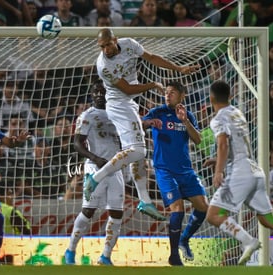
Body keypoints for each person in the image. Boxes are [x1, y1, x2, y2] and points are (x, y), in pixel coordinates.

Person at [84, 28, 199, 220]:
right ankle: (95, 178)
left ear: (116, 40)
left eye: (108, 44)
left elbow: (152, 57)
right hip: (119, 104)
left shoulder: (129, 44)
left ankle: (144, 200)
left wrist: (178, 69)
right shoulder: (103, 65)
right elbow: (128, 89)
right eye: (101, 47)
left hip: (129, 104)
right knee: (139, 151)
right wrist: (153, 85)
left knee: (136, 157)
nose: (105, 49)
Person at [206, 80, 273, 266]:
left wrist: (218, 171)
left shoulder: (217, 119)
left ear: (211, 98)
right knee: (268, 219)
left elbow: (223, 143)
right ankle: (249, 241)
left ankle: (248, 241)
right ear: (230, 96)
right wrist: (220, 160)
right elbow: (234, 144)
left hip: (239, 171)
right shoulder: (237, 113)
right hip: (255, 171)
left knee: (213, 215)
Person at [142, 81, 208, 266]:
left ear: (182, 95)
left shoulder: (187, 115)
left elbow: (198, 140)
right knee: (177, 209)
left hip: (186, 171)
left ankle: (184, 239)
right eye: (166, 92)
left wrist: (185, 121)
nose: (167, 95)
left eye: (171, 93)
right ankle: (173, 256)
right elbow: (139, 124)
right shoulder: (158, 112)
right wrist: (149, 122)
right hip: (165, 170)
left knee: (203, 206)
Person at [64, 80, 124, 266]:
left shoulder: (118, 114)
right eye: (96, 92)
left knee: (117, 213)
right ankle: (70, 250)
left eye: (103, 91)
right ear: (91, 95)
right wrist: (95, 158)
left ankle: (105, 256)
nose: (99, 94)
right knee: (89, 210)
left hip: (115, 169)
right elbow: (77, 143)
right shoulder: (87, 115)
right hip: (94, 167)